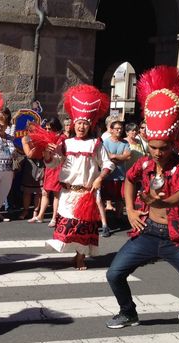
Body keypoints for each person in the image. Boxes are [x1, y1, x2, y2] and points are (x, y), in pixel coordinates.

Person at [105, 65, 179, 343]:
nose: (157, 152)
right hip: (148, 232)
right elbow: (128, 181)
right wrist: (129, 209)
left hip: (178, 238)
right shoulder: (143, 164)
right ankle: (128, 313)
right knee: (114, 273)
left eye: (162, 147)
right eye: (153, 147)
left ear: (174, 143)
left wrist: (160, 200)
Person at [44, 84, 114, 271]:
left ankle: (81, 257)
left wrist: (100, 178)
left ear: (90, 125)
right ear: (74, 124)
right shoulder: (65, 143)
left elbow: (107, 163)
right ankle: (75, 254)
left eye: (85, 123)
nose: (81, 126)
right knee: (69, 226)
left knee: (83, 227)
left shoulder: (96, 143)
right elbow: (53, 163)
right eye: (79, 123)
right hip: (68, 192)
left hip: (86, 192)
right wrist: (48, 155)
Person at [100, 120, 131, 235]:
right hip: (108, 176)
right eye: (117, 128)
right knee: (103, 199)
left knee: (120, 198)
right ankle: (103, 221)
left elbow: (127, 156)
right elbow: (106, 157)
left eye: (120, 128)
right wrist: (120, 157)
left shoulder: (125, 143)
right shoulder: (106, 142)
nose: (119, 130)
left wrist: (115, 156)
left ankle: (118, 218)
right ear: (111, 130)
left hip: (121, 175)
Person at [0, 110, 18, 225]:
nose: (0, 128)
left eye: (2, 126)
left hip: (8, 169)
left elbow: (13, 151)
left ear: (6, 126)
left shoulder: (10, 138)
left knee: (4, 191)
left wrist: (14, 154)